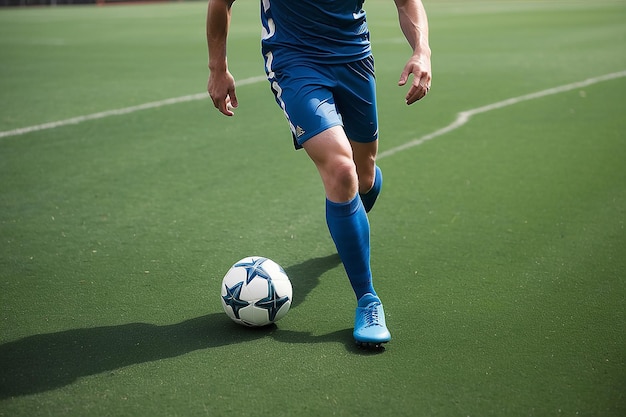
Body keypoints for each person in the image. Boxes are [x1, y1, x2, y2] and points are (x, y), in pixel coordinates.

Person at [206, 0, 431, 348]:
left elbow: (406, 2)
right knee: (341, 171)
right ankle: (368, 300)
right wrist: (217, 67)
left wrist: (421, 50)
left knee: (363, 176)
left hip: (353, 57)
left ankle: (358, 202)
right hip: (294, 62)